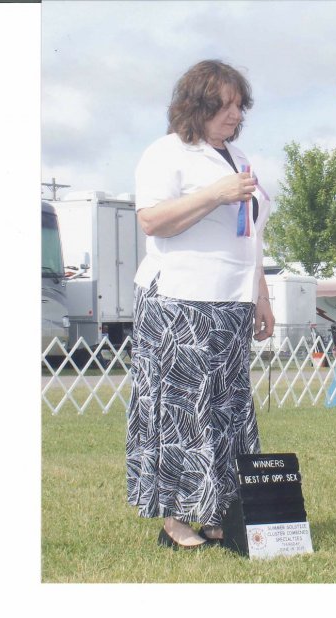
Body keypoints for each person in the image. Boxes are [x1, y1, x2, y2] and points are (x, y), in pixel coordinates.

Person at [126, 60, 274, 549]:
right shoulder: (167, 153)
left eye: (238, 105)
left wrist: (261, 296)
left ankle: (215, 514)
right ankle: (174, 521)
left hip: (231, 303)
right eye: (223, 105)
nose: (234, 115)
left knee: (225, 411)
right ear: (196, 106)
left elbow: (251, 237)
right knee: (179, 413)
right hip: (178, 302)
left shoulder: (240, 155)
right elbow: (153, 221)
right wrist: (214, 194)